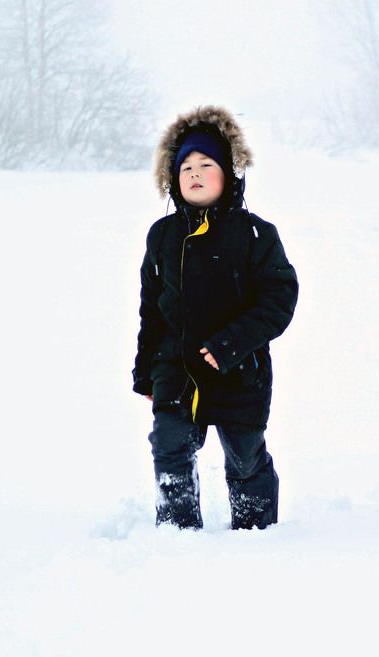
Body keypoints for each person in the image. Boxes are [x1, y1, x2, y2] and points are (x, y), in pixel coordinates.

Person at [132, 106, 299, 530]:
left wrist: (231, 344)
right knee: (169, 449)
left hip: (240, 371)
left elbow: (279, 300)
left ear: (229, 174)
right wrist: (145, 372)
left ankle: (257, 530)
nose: (195, 173)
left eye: (207, 164)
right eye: (185, 166)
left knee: (244, 456)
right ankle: (176, 531)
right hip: (177, 369)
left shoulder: (255, 234)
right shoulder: (163, 236)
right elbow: (151, 308)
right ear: (172, 178)